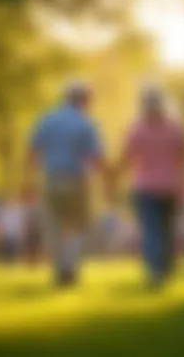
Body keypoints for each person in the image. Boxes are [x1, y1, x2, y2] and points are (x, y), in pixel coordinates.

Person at [28, 81, 111, 286]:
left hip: (51, 178)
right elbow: (95, 158)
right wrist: (109, 180)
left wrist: (30, 178)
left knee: (53, 225)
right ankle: (69, 265)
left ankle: (60, 268)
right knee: (81, 226)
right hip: (76, 180)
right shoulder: (86, 123)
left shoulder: (47, 119)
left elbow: (32, 152)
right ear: (83, 100)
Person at [117, 87, 184, 288]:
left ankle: (156, 270)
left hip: (145, 187)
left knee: (151, 229)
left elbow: (126, 158)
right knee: (166, 229)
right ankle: (165, 269)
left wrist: (113, 177)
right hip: (170, 186)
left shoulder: (137, 129)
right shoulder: (175, 128)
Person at [0, 195, 24, 265]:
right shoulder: (3, 210)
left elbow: (20, 222)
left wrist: (20, 232)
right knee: (6, 250)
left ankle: (13, 264)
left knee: (14, 251)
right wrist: (0, 232)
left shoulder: (18, 210)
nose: (11, 202)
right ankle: (6, 264)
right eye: (9, 200)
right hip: (6, 234)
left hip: (15, 233)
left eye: (12, 200)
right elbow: (0, 222)